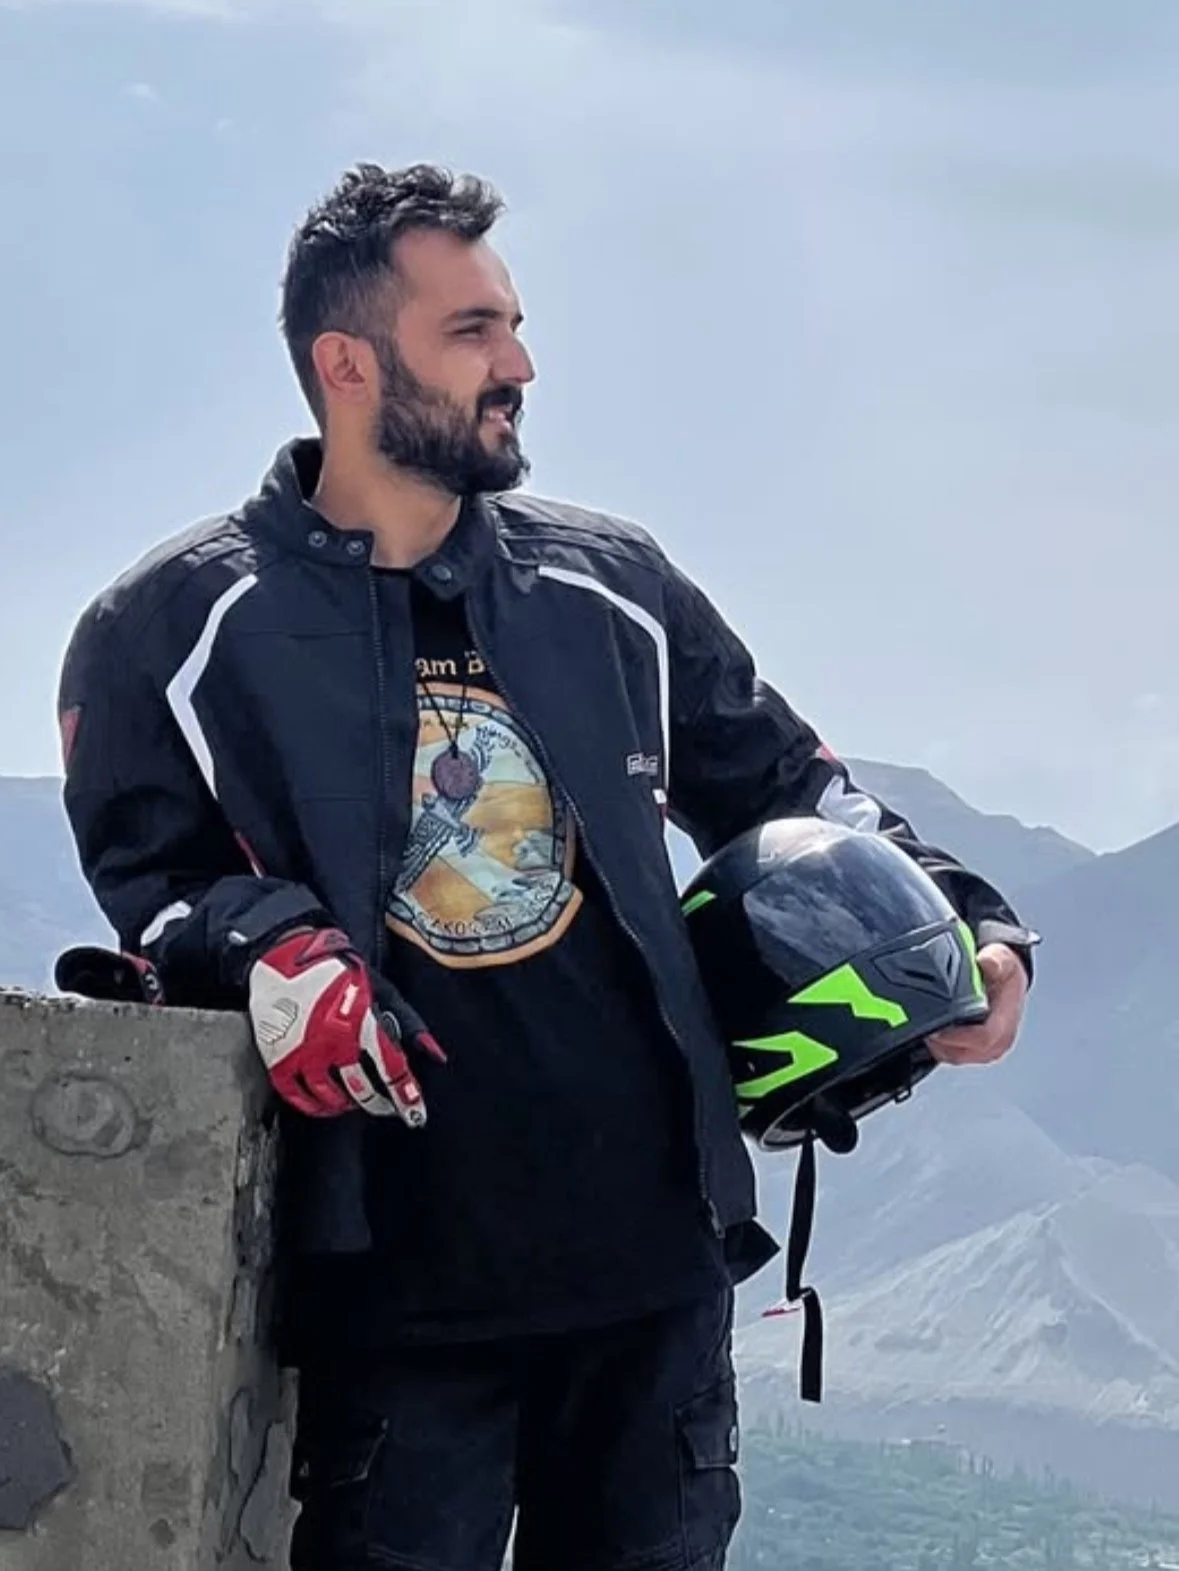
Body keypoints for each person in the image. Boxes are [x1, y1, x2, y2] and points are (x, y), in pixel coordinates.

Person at [57, 162, 1037, 1571]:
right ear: (344, 363)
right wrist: (271, 940)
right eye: (470, 332)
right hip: (402, 1297)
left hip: (655, 1286)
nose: (518, 364)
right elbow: (151, 879)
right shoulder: (174, 625)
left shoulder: (613, 586)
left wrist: (969, 923)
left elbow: (788, 779)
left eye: (511, 323)